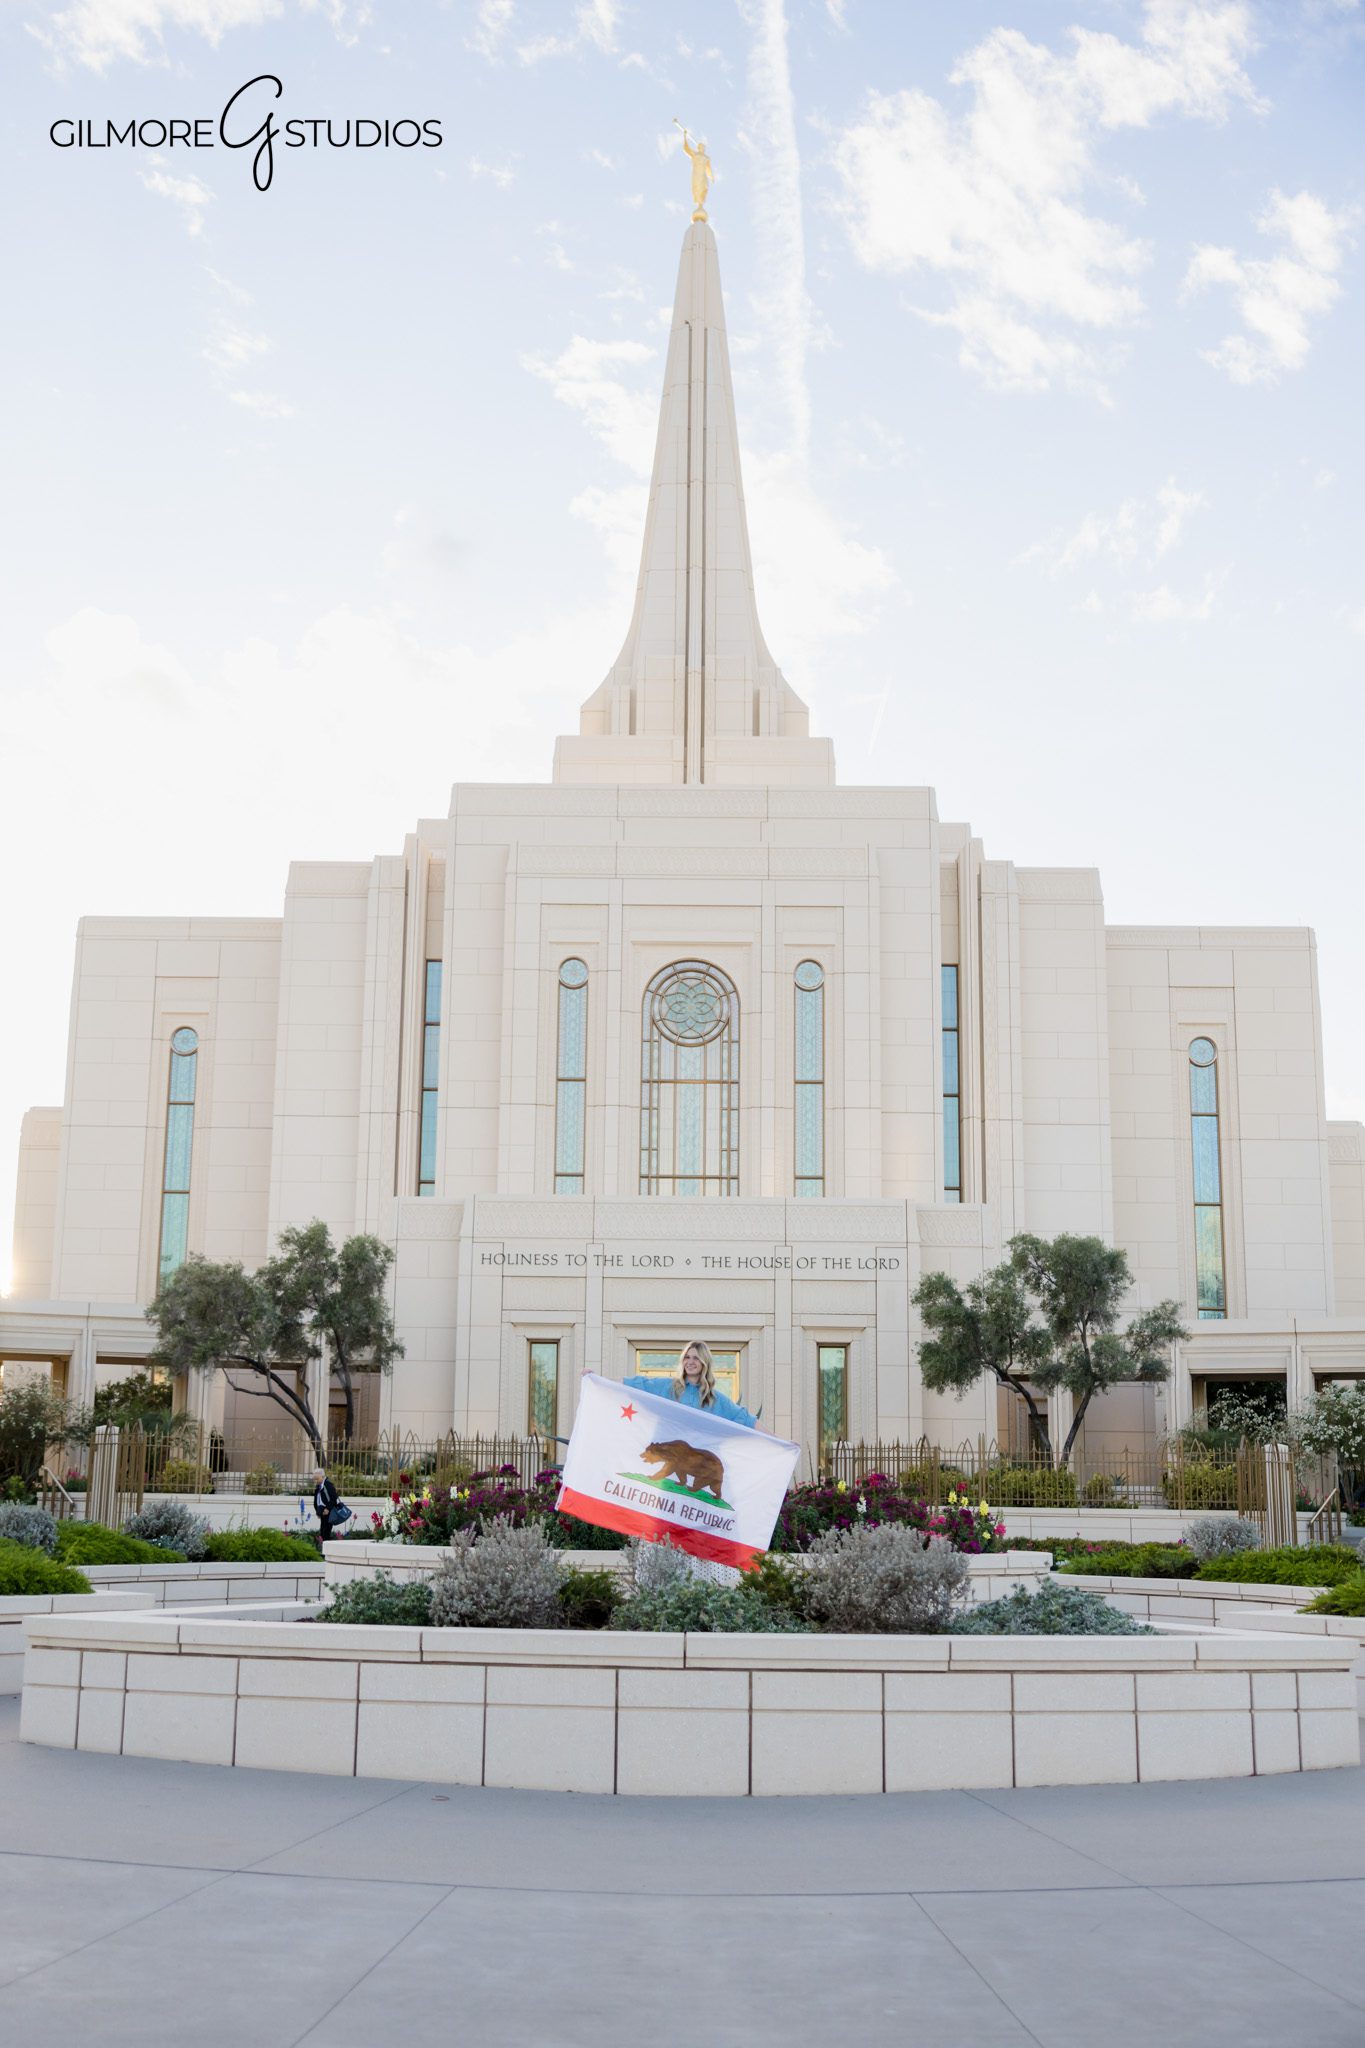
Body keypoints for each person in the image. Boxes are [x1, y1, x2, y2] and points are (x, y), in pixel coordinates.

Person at [623, 1340, 758, 1428]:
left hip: (697, 1464)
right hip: (667, 1458)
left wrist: (778, 1442)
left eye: (696, 1358)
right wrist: (601, 1382)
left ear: (704, 1362)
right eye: (687, 1357)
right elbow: (633, 1384)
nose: (690, 1362)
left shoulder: (715, 1399)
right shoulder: (666, 1387)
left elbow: (746, 1419)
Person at [312, 1466, 340, 1546]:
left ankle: (326, 1550)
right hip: (322, 1512)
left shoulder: (328, 1485)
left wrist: (328, 1509)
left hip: (329, 1512)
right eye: (315, 1479)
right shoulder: (319, 1486)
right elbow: (317, 1500)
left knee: (326, 1532)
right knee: (322, 1531)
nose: (316, 1481)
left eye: (317, 1479)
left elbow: (333, 1498)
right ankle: (323, 1549)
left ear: (322, 1476)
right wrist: (318, 1511)